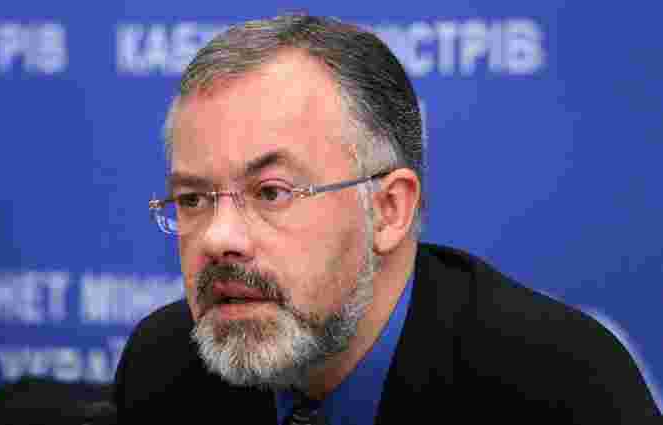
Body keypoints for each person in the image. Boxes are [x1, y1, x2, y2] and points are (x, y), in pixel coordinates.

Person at [113, 14, 661, 423]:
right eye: (193, 199)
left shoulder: (559, 388)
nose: (219, 237)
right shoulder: (167, 368)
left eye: (271, 193)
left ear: (389, 209)